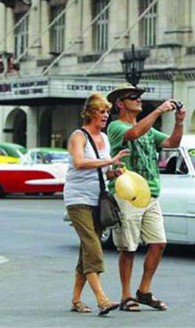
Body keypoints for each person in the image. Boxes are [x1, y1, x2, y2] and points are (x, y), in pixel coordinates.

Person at [106, 83, 185, 312]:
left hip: (150, 192)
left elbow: (172, 143)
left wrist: (179, 122)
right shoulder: (115, 126)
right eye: (133, 97)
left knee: (158, 243)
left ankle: (143, 291)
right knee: (128, 247)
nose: (139, 100)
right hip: (127, 192)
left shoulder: (149, 129)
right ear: (120, 103)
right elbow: (133, 133)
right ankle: (125, 296)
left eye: (140, 96)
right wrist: (159, 110)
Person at [64, 93, 129, 316]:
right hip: (78, 199)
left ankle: (75, 299)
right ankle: (102, 299)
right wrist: (109, 161)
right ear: (91, 113)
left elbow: (101, 170)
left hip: (98, 199)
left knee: (86, 252)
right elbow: (80, 162)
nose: (105, 116)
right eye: (102, 111)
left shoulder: (105, 138)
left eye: (107, 112)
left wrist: (113, 171)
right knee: (93, 246)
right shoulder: (78, 136)